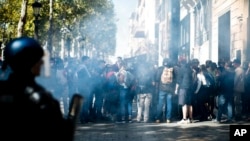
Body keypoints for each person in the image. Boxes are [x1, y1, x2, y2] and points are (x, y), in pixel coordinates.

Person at [0, 37, 76, 141]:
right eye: (38, 60)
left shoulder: (3, 89)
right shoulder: (40, 98)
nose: (42, 63)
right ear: (29, 62)